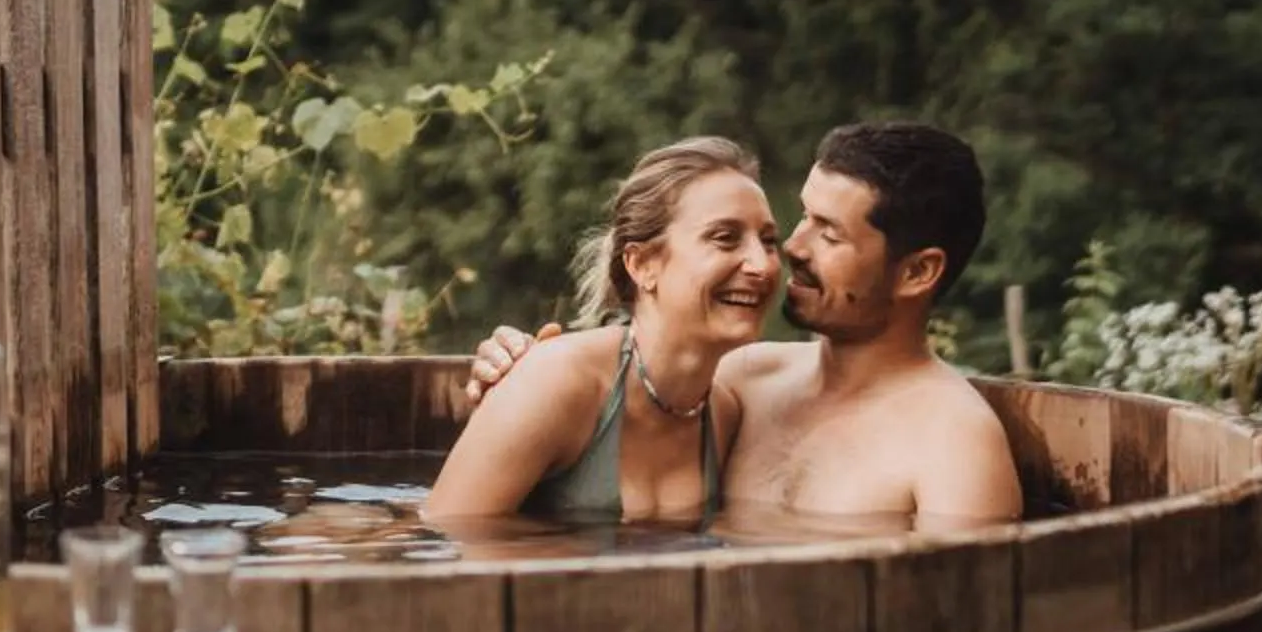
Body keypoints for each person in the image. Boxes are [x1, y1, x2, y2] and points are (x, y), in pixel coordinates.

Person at [468, 121, 1022, 525]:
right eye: (803, 216)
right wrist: (517, 367)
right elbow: (629, 372)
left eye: (829, 233)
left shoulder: (954, 444)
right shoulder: (744, 380)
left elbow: (960, 631)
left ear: (918, 271)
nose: (792, 249)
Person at [423, 136, 779, 523]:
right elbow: (447, 540)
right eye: (725, 238)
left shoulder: (721, 413)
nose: (761, 264)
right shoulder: (555, 381)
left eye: (769, 241)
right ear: (642, 265)